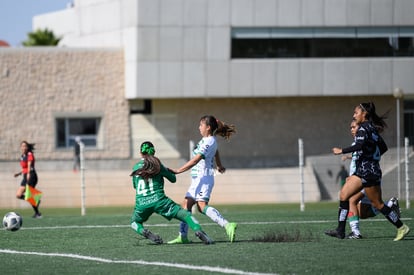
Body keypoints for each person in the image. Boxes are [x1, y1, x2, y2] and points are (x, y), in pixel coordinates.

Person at [325, 102, 409, 241]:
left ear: (364, 114)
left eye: (356, 113)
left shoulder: (364, 128)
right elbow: (383, 147)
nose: (354, 115)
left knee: (378, 204)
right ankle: (340, 231)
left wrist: (341, 151)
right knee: (344, 195)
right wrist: (372, 157)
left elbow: (359, 145)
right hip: (364, 170)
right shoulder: (372, 128)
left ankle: (401, 227)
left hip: (369, 172)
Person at [168, 115, 237, 244]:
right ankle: (182, 236)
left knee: (201, 206)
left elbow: (195, 160)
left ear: (208, 127)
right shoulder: (208, 140)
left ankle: (228, 225)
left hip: (204, 179)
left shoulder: (209, 141)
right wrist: (219, 164)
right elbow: (215, 152)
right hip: (198, 180)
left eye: (201, 125)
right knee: (185, 206)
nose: (199, 127)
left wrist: (178, 170)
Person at [130, 141, 213, 245]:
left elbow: (135, 186)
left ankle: (144, 232)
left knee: (134, 222)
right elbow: (173, 179)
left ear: (140, 153)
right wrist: (166, 171)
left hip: (141, 203)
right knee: (185, 214)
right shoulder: (157, 164)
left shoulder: (135, 168)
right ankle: (198, 230)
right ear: (154, 152)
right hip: (159, 201)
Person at [342, 120, 401, 239]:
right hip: (363, 176)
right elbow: (361, 155)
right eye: (350, 127)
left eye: (354, 127)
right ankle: (390, 206)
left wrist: (342, 151)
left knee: (351, 200)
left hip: (365, 177)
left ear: (361, 129)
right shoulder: (358, 143)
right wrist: (349, 157)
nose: (352, 130)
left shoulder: (364, 142)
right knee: (364, 212)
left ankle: (355, 232)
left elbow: (369, 152)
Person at [13, 141, 42, 218]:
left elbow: (29, 165)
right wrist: (19, 173)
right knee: (18, 195)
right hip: (25, 176)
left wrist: (28, 174)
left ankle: (37, 213)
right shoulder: (22, 156)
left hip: (31, 176)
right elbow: (24, 168)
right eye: (22, 146)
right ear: (20, 147)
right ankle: (36, 200)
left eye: (25, 146)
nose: (24, 147)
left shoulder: (29, 154)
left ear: (28, 147)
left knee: (30, 195)